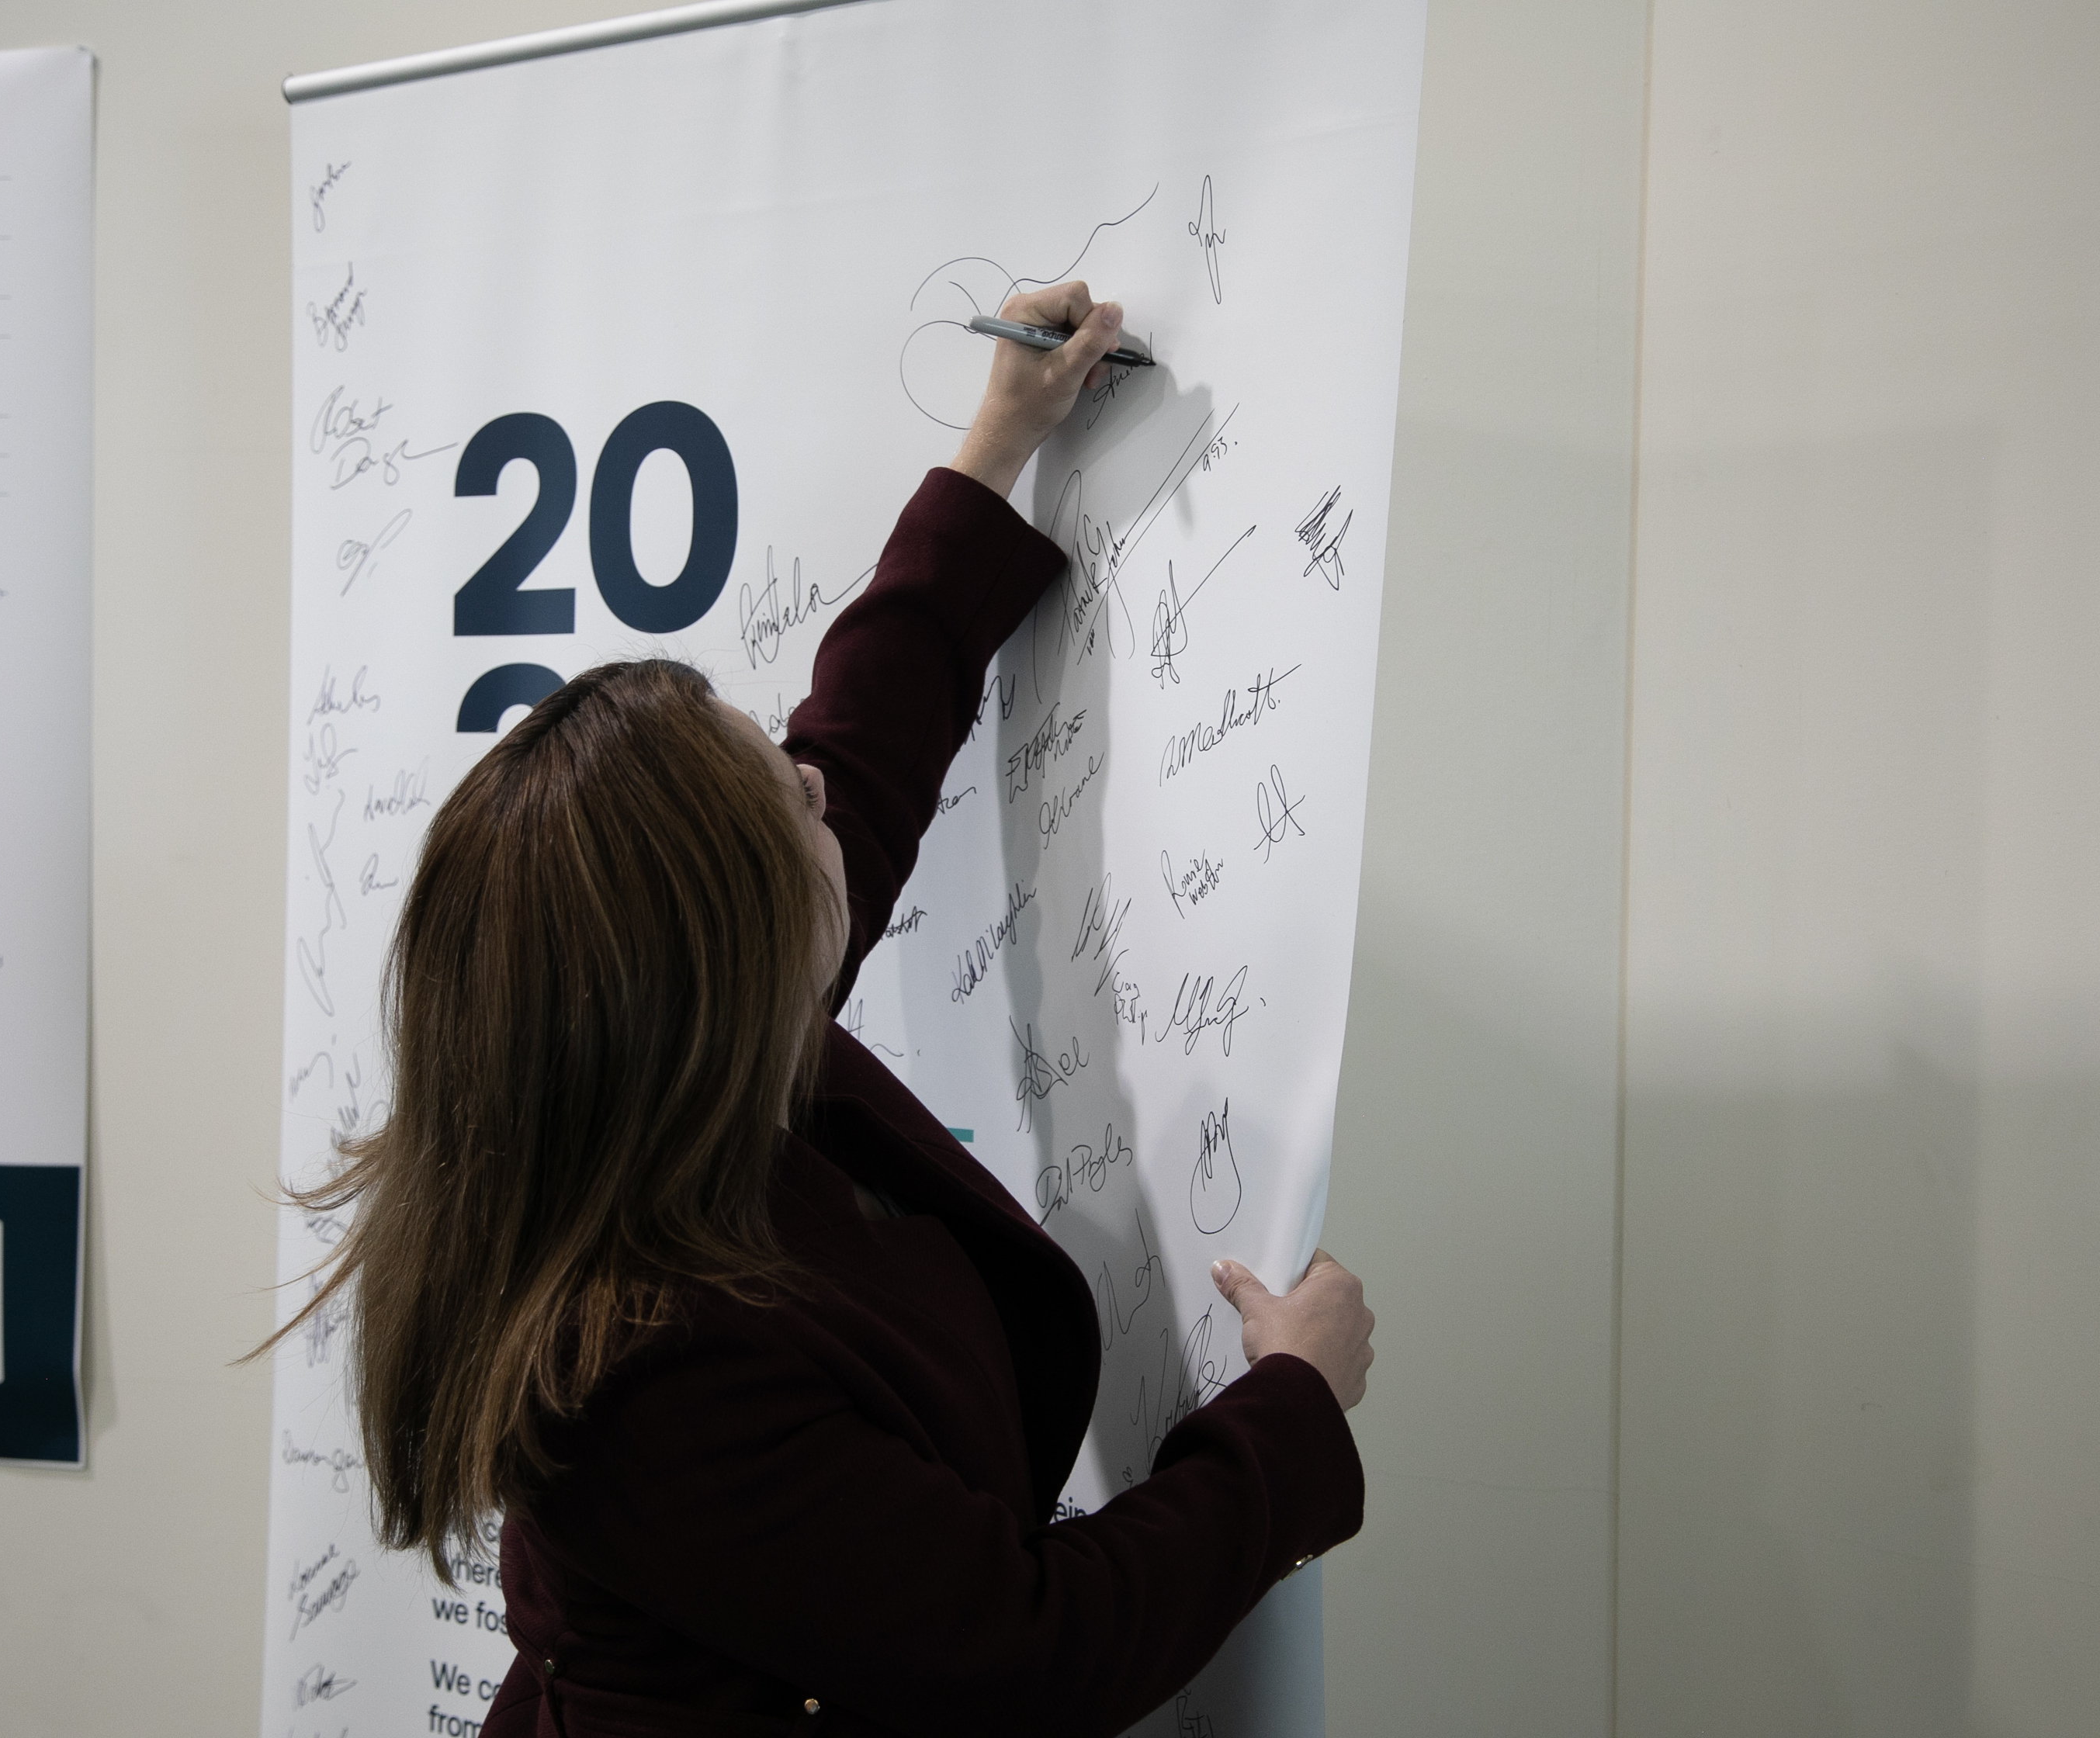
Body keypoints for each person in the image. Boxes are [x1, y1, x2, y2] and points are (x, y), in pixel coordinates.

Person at [268, 282, 1377, 1737]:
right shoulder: (649, 1374)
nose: (812, 787)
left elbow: (857, 743)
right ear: (729, 946)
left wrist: (990, 455)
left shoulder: (659, 1077)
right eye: (785, 809)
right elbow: (1031, 1650)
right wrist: (1290, 1408)